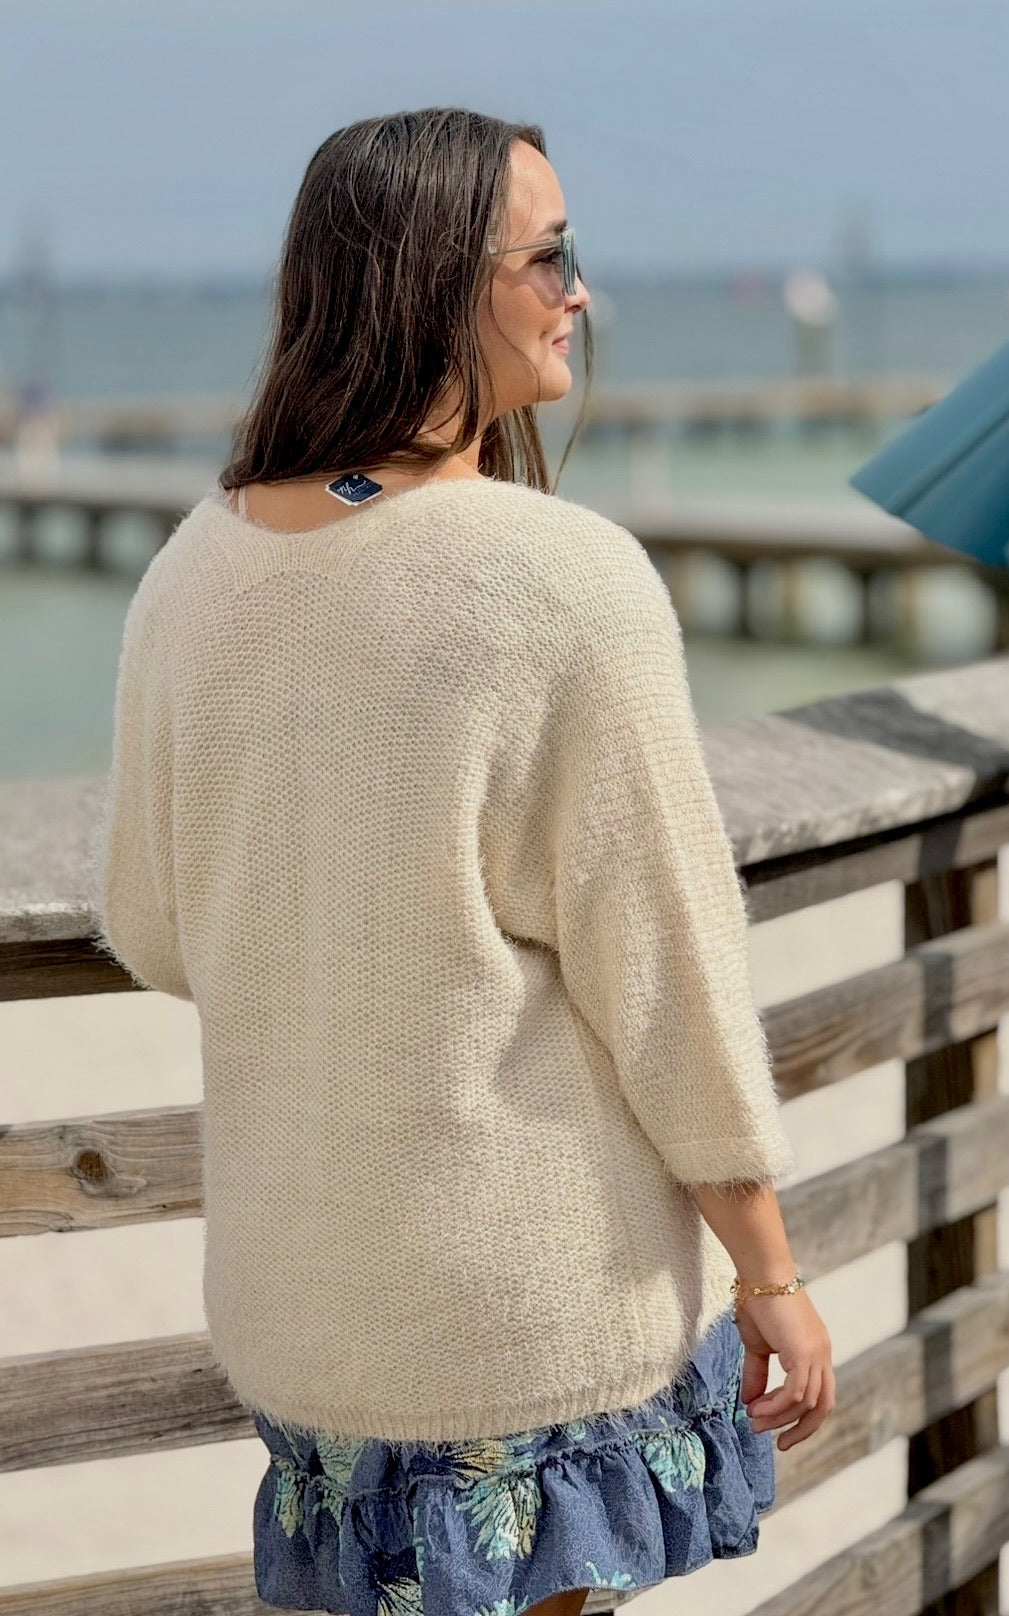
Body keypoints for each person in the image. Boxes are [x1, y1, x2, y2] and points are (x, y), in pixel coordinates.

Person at [90, 107, 835, 1616]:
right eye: (549, 255)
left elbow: (153, 928)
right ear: (433, 277)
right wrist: (768, 1271)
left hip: (307, 1317)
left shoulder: (194, 567)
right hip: (520, 1317)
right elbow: (671, 978)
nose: (579, 291)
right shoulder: (562, 581)